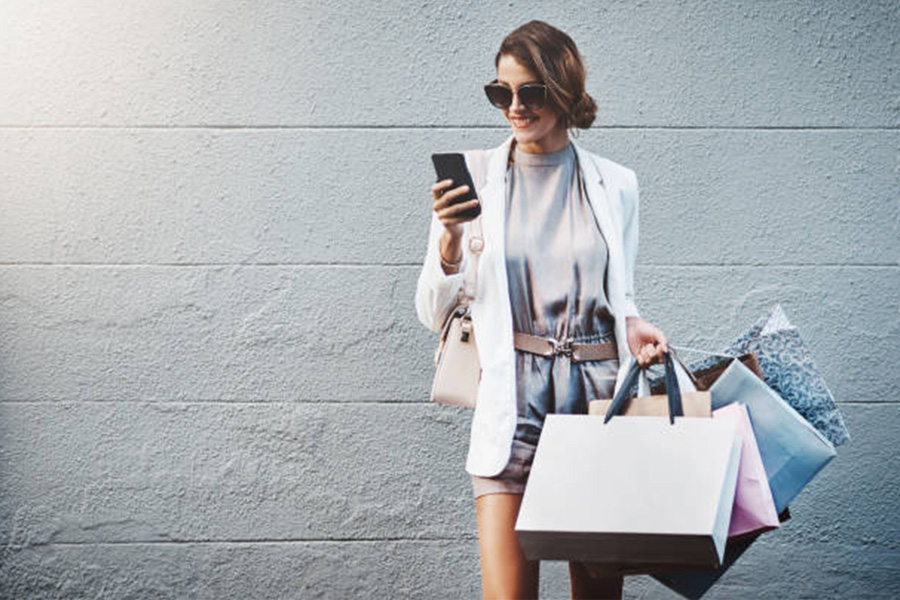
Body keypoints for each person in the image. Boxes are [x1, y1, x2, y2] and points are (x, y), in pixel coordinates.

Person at [415, 20, 669, 599]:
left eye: (529, 92)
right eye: (501, 93)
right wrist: (450, 239)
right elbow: (432, 310)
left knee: (598, 595)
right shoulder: (475, 177)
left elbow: (617, 296)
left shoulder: (616, 184)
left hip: (596, 400)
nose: (514, 107)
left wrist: (634, 326)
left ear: (563, 89)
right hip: (513, 402)